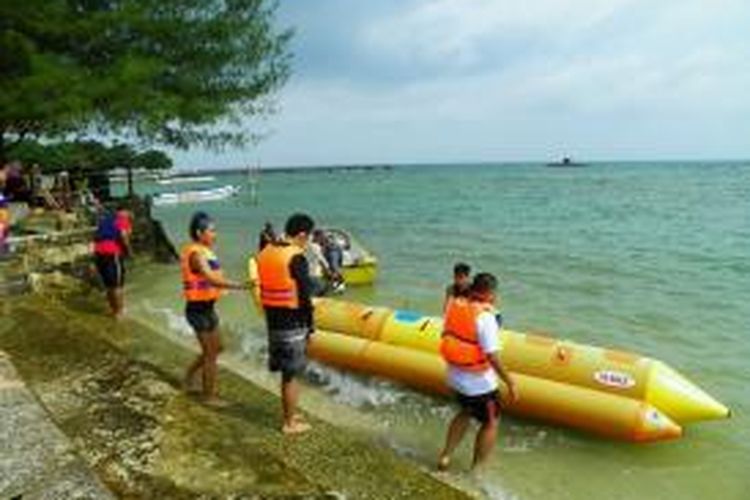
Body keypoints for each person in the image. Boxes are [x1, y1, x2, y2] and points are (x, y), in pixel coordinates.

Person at [437, 272, 518, 471]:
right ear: (491, 294)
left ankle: (445, 456)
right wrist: (510, 382)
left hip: (454, 375)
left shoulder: (454, 306)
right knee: (491, 422)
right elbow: (492, 355)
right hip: (478, 384)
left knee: (465, 412)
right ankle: (477, 469)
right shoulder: (485, 317)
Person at [256, 213, 316, 434]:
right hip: (293, 323)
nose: (308, 242)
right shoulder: (296, 257)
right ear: (301, 235)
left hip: (273, 320)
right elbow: (304, 296)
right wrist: (311, 326)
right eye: (308, 237)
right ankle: (289, 423)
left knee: (286, 371)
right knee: (292, 374)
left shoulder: (267, 251)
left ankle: (290, 413)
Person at [182, 211, 247, 406]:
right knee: (210, 353)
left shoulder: (204, 251)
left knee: (218, 348)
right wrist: (238, 286)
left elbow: (211, 279)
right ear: (199, 233)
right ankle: (208, 396)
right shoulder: (195, 254)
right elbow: (210, 277)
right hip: (197, 310)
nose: (215, 234)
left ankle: (188, 376)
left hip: (207, 308)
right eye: (211, 230)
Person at [92, 205, 132, 318]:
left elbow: (96, 236)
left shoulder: (105, 219)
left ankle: (114, 310)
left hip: (98, 252)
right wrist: (129, 251)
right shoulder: (122, 219)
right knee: (117, 285)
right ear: (125, 212)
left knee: (109, 286)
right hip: (112, 252)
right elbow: (123, 236)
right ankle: (120, 313)